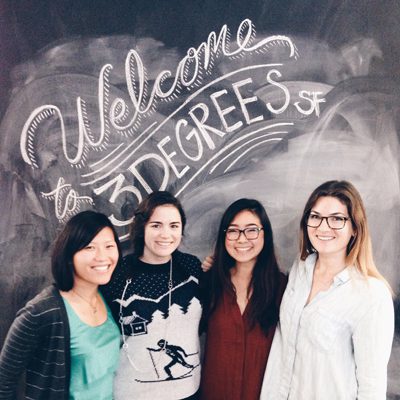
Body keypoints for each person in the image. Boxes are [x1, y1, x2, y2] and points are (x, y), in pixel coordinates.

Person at [260, 180, 395, 400]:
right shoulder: (300, 269)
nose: (323, 227)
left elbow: (372, 386)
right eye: (315, 217)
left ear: (354, 228)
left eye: (337, 219)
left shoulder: (372, 295)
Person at [0, 211, 121, 400]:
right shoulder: (41, 312)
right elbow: (3, 383)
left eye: (109, 246)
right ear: (68, 255)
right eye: (89, 248)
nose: (102, 256)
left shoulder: (110, 297)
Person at [101, 191, 203, 400]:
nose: (166, 234)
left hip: (188, 392)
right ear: (142, 228)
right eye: (156, 225)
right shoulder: (117, 273)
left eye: (174, 225)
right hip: (132, 393)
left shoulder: (192, 267)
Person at [200, 198, 287, 400]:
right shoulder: (209, 283)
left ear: (265, 234)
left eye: (251, 230)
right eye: (233, 230)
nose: (241, 239)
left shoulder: (283, 288)